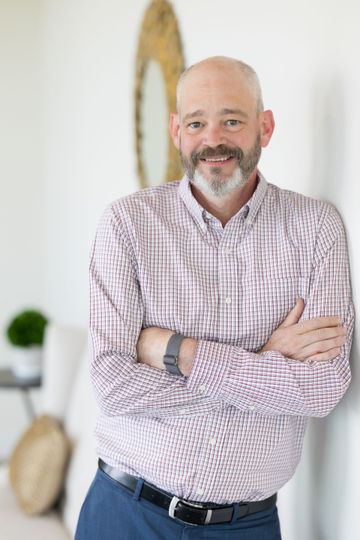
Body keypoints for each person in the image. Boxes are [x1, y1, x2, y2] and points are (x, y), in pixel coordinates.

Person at [75, 56, 354, 540]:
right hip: (125, 513)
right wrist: (264, 360)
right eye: (197, 123)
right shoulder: (127, 225)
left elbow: (323, 387)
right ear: (176, 131)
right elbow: (112, 386)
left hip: (247, 526)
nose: (213, 140)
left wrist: (180, 352)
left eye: (232, 120)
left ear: (264, 127)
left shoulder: (316, 229)